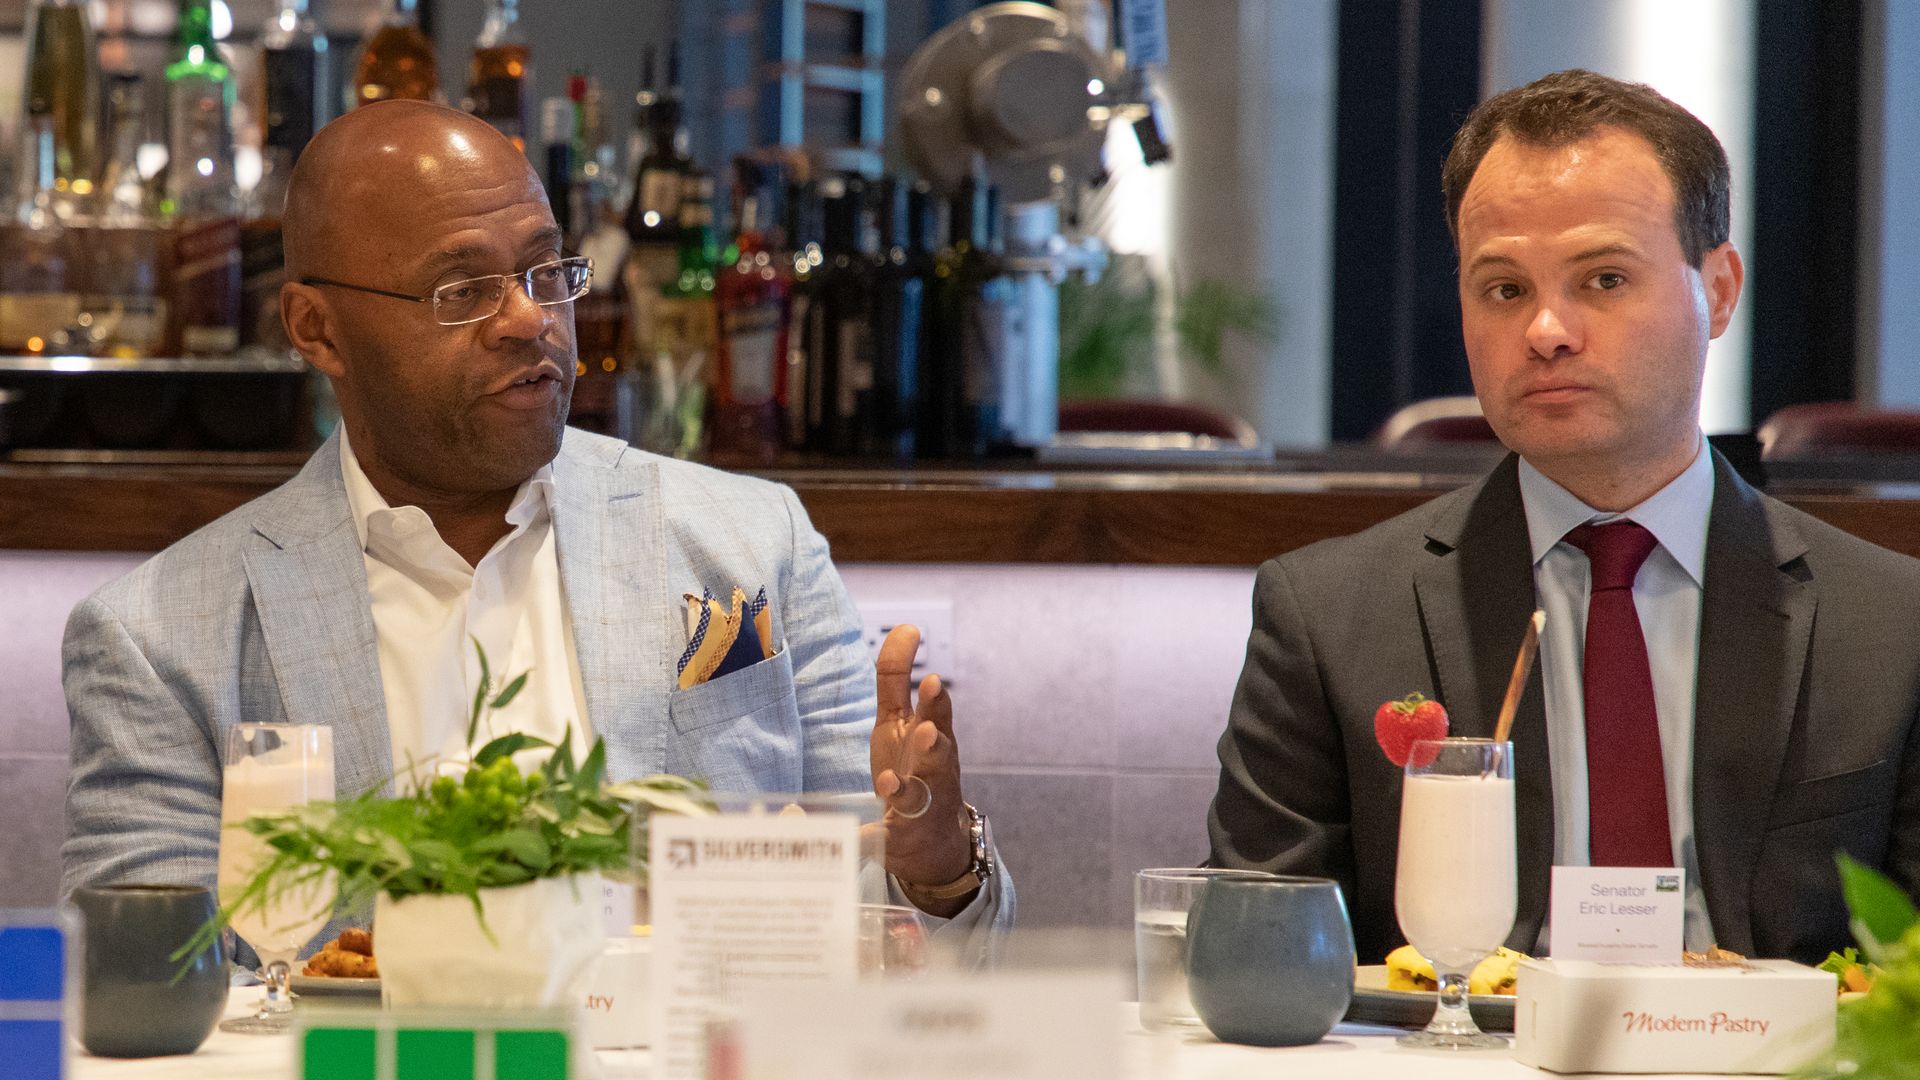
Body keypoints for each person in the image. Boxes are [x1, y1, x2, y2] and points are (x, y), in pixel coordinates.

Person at [61, 101, 1010, 957]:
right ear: (317, 330)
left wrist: (935, 870)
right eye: (461, 291)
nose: (532, 321)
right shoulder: (159, 639)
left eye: (545, 271)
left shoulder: (750, 539)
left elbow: (930, 949)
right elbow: (141, 982)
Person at [1208, 69, 1920, 966]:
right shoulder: (1328, 616)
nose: (1547, 329)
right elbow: (1251, 961)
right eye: (1503, 289)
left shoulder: (1895, 625)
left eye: (1605, 278)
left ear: (1721, 290)